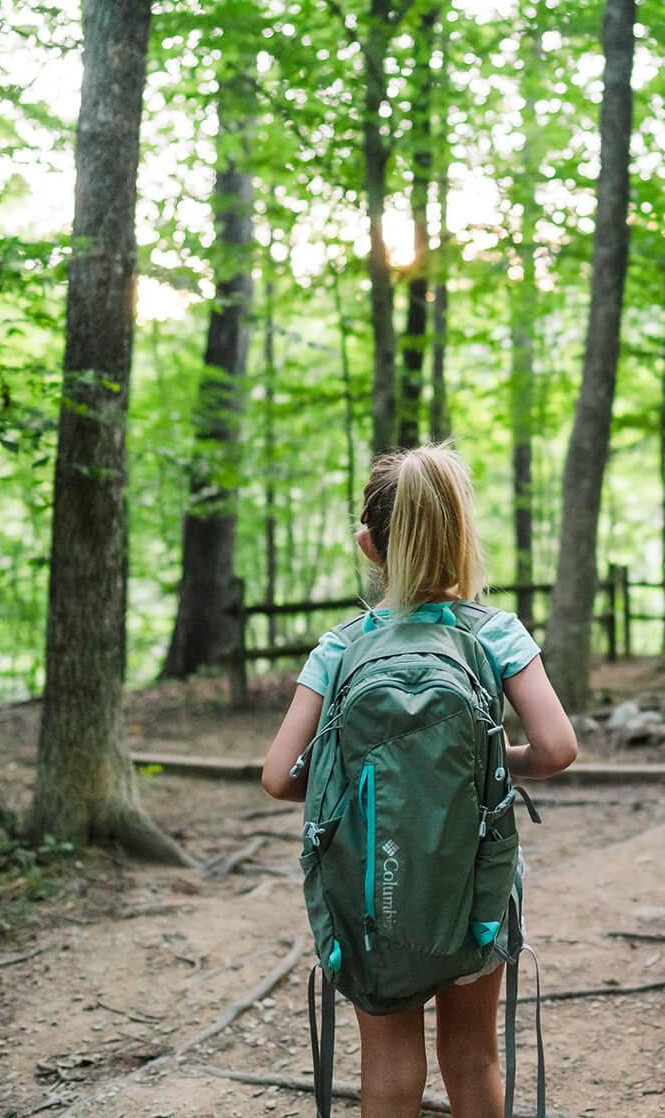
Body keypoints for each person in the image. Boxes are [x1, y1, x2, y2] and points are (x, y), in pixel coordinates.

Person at [261, 442, 578, 1118]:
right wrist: (495, 765)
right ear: (462, 538)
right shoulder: (497, 634)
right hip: (474, 883)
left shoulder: (341, 648)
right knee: (471, 1055)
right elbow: (555, 750)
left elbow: (278, 777)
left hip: (373, 890)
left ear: (369, 546)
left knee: (387, 1063)